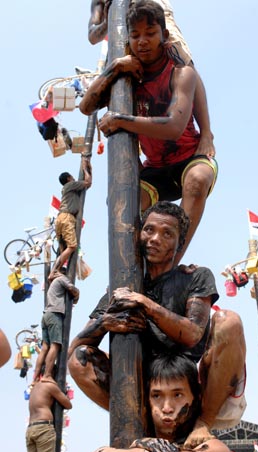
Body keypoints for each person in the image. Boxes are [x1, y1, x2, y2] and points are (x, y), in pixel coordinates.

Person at [68, 201, 246, 444]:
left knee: (229, 322)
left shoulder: (195, 276)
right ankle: (140, 424)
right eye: (149, 230)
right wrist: (105, 322)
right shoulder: (123, 287)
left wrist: (146, 305)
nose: (154, 239)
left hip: (190, 389)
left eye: (167, 234)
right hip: (146, 394)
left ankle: (202, 424)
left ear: (180, 243)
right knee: (80, 359)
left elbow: (193, 333)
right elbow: (74, 348)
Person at [80, 0, 217, 263]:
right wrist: (115, 58)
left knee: (196, 180)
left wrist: (206, 132)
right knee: (122, 200)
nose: (143, 41)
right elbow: (86, 104)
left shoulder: (176, 66)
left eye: (150, 35)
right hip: (156, 165)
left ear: (161, 36)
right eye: (137, 36)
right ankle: (137, 268)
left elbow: (174, 125)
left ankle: (171, 263)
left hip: (186, 154)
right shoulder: (109, 16)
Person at [88, 0, 215, 157]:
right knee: (117, 79)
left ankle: (206, 134)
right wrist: (108, 21)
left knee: (185, 65)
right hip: (123, 29)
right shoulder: (99, 3)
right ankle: (136, 159)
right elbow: (93, 36)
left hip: (154, 16)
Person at [84, 354, 232, 452]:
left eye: (177, 395)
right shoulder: (134, 443)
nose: (167, 408)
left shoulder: (214, 450)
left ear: (196, 397)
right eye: (156, 396)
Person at [33, 269, 79, 383]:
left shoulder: (53, 283)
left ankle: (35, 379)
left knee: (44, 348)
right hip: (54, 315)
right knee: (55, 345)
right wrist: (77, 293)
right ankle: (47, 375)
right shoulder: (62, 279)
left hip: (46, 315)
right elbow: (74, 291)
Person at [49, 158, 92, 279]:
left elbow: (88, 184)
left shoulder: (72, 189)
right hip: (66, 217)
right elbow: (87, 182)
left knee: (64, 250)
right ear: (68, 178)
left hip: (61, 218)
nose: (74, 178)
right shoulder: (70, 185)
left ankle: (56, 271)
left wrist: (89, 168)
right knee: (72, 246)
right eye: (72, 177)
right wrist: (85, 169)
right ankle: (54, 271)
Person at [26, 369, 72, 452]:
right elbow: (68, 405)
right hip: (43, 427)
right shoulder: (50, 386)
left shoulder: (35, 387)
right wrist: (64, 392)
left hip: (31, 428)